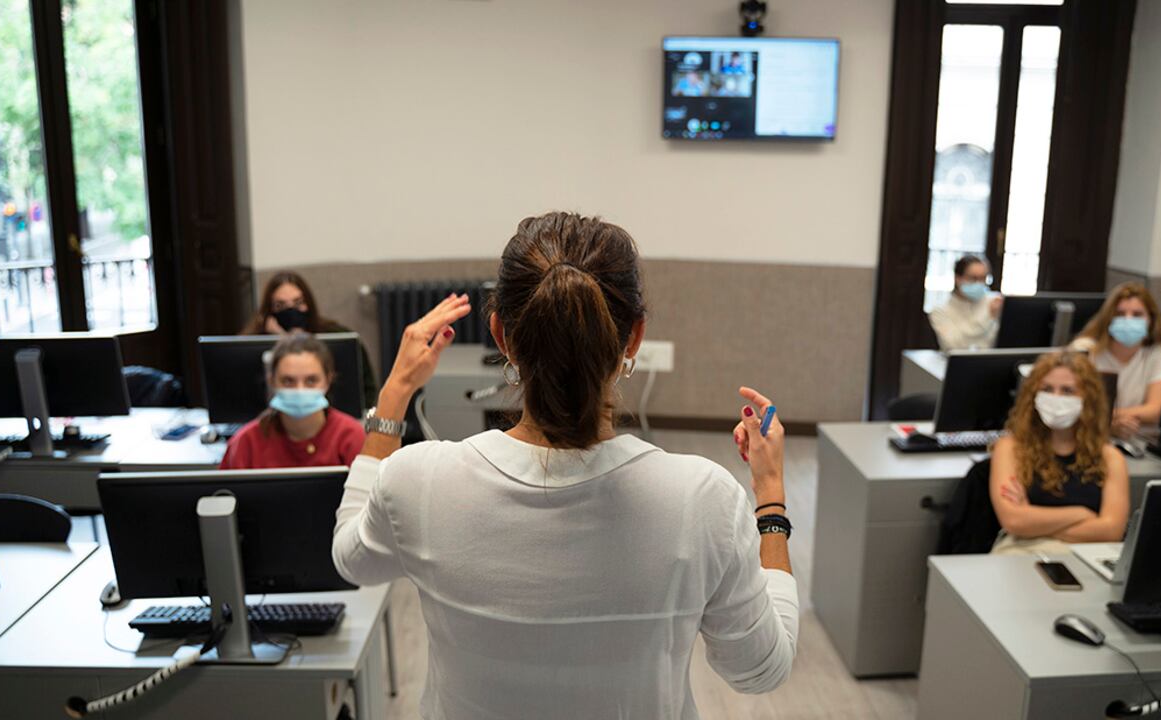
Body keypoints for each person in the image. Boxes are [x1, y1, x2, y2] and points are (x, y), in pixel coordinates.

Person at [332, 213, 798, 718]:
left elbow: (352, 560)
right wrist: (770, 495)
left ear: (501, 335)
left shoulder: (419, 481)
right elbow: (760, 669)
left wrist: (395, 393)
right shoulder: (702, 498)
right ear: (634, 338)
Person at [989, 351, 1130, 555]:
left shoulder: (1110, 457)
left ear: (1088, 399)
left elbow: (1111, 531)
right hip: (1022, 551)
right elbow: (1014, 521)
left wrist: (1033, 521)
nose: (1056, 397)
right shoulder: (1010, 448)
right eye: (1047, 389)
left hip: (1087, 556)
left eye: (1067, 391)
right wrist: (1081, 514)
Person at [219, 333, 365, 470]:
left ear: (328, 380)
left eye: (311, 381)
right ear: (272, 381)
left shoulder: (352, 437)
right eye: (288, 381)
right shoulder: (245, 443)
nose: (299, 390)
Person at [243, 270, 379, 405]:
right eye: (280, 305)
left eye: (298, 303)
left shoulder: (338, 335)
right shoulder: (251, 341)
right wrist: (282, 338)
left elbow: (368, 390)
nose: (291, 311)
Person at [1071, 282, 1161, 439]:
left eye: (1137, 314)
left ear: (1151, 319)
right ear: (1108, 318)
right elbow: (1073, 406)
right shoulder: (1085, 350)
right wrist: (1107, 424)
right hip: (1089, 436)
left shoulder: (1159, 354)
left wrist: (1109, 417)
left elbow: (1156, 410)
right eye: (1120, 314)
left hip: (1137, 438)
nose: (1128, 320)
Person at [928, 255, 1003, 350]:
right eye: (973, 278)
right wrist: (989, 318)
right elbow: (955, 345)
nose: (979, 283)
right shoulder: (940, 309)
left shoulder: (996, 302)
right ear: (957, 278)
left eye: (983, 278)